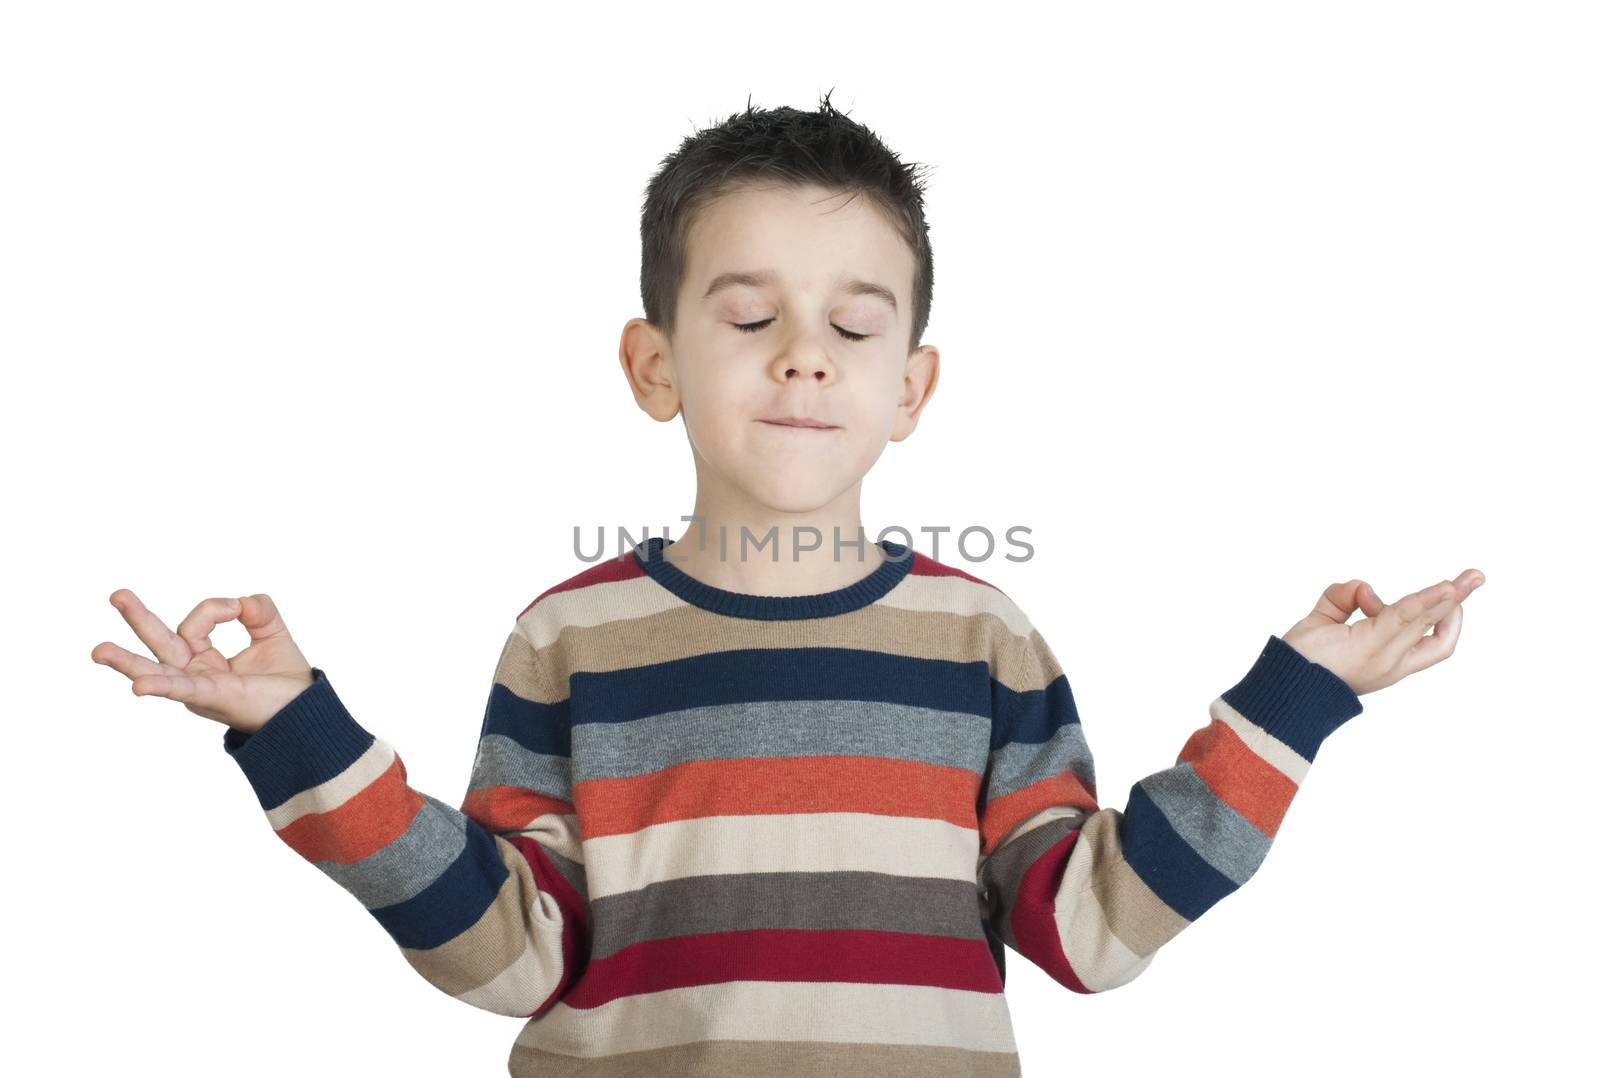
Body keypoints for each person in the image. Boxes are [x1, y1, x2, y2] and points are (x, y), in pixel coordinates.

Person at [90, 92, 1485, 1077]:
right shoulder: (566, 640)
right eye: (751, 316)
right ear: (653, 365)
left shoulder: (984, 638)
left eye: (854, 324)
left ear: (912, 385)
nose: (804, 356)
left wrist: (1294, 702)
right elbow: (513, 957)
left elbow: (1086, 929)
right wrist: (295, 730)